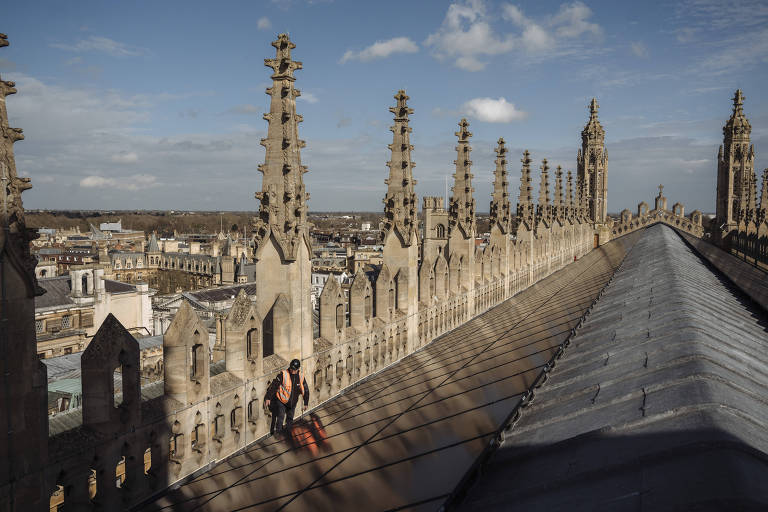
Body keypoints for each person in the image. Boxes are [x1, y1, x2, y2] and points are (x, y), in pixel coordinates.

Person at [265, 358, 310, 434]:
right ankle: (279, 433)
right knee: (280, 417)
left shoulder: (301, 376)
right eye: (291, 368)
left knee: (290, 418)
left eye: (294, 369)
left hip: (293, 403)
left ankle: (288, 432)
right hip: (282, 401)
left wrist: (306, 403)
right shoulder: (283, 374)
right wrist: (268, 397)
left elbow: (306, 390)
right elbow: (274, 385)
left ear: (298, 369)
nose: (292, 370)